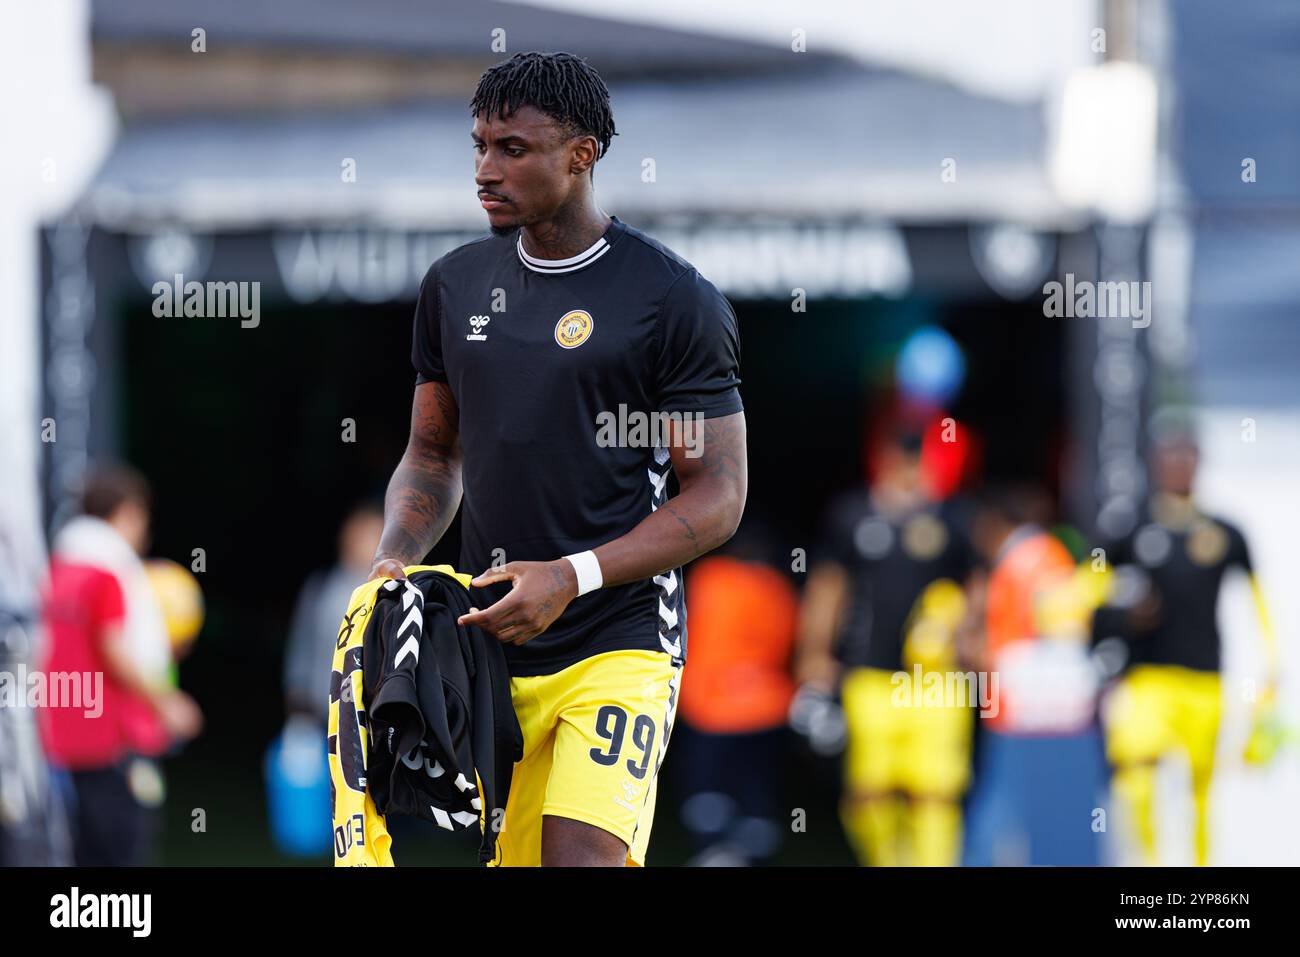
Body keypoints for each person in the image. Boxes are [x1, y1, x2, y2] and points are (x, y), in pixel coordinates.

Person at [367, 52, 747, 867]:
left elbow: (718, 493)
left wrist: (569, 575)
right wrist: (394, 557)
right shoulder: (454, 286)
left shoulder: (671, 298)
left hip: (619, 635)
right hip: (490, 643)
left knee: (580, 858)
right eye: (478, 146)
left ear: (582, 155)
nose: (485, 169)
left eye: (512, 149)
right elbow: (432, 455)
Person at [1095, 422, 1277, 866]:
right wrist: (1123, 617)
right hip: (1147, 679)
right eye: (1170, 458)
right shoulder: (1130, 528)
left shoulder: (1225, 532)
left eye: (1186, 458)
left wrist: (1271, 673)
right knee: (1135, 776)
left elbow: (1259, 607)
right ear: (1156, 465)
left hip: (1204, 680)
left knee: (1199, 795)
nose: (1178, 467)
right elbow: (1089, 594)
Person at [797, 429, 976, 866]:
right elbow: (829, 585)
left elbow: (976, 585)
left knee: (935, 792)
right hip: (869, 676)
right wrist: (814, 652)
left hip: (937, 682)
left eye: (919, 457)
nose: (910, 467)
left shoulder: (953, 519)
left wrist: (968, 633)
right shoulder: (854, 515)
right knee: (868, 791)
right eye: (902, 456)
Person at [38, 466, 202, 865]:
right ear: (127, 512)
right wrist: (167, 702)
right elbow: (113, 647)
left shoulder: (59, 569)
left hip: (62, 735)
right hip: (112, 739)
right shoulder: (109, 572)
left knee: (81, 852)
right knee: (124, 849)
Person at [673, 519, 798, 865]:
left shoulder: (710, 576)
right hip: (765, 706)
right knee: (755, 791)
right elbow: (787, 643)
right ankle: (749, 855)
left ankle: (712, 852)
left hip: (710, 707)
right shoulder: (777, 586)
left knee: (708, 791)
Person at [283, 501, 385, 723]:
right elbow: (302, 642)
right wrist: (296, 694)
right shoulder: (319, 586)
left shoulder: (389, 595)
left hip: (368, 716)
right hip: (318, 707)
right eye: (362, 535)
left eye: (375, 536)